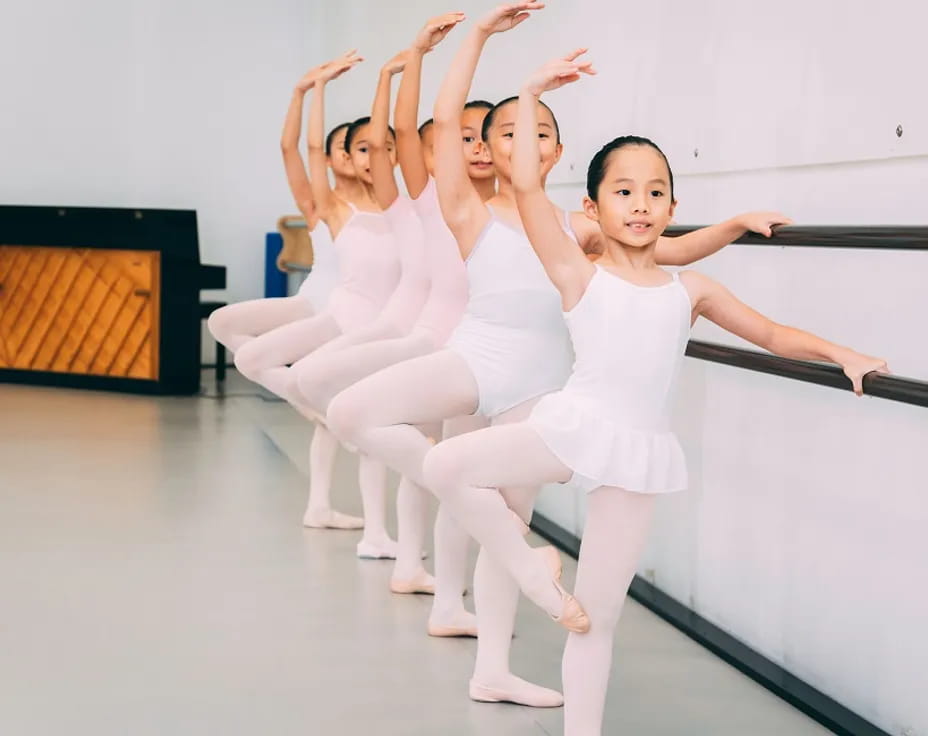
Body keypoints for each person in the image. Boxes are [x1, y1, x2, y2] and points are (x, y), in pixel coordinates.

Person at [327, 2, 791, 708]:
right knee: (353, 412)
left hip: (542, 388)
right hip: (476, 358)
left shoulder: (584, 226)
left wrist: (730, 225)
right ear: (490, 145)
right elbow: (442, 125)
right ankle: (532, 569)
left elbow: (667, 252)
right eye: (510, 132)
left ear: (559, 151)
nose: (525, 140)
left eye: (540, 132)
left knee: (502, 515)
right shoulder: (467, 208)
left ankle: (492, 666)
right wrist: (479, 36)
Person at [421, 49, 890, 735]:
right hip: (571, 425)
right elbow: (524, 189)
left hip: (638, 453)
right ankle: (530, 571)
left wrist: (841, 353)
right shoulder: (577, 272)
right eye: (623, 191)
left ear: (672, 204)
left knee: (598, 617)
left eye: (654, 192)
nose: (640, 205)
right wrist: (525, 93)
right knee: (443, 464)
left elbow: (771, 332)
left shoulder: (689, 289)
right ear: (592, 206)